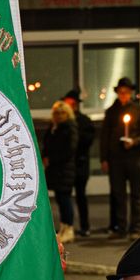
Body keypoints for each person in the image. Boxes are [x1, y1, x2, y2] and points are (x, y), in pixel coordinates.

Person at [100, 77, 140, 239]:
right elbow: (105, 136)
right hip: (116, 159)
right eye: (121, 92)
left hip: (135, 158)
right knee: (118, 195)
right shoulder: (111, 111)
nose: (123, 95)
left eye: (126, 92)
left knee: (136, 195)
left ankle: (136, 227)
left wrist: (134, 141)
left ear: (131, 93)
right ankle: (120, 227)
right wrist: (104, 158)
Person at [42, 99, 79, 243]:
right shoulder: (53, 127)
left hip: (64, 169)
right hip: (56, 169)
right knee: (60, 199)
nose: (59, 115)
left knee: (65, 199)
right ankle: (63, 228)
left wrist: (52, 159)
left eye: (62, 113)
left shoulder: (69, 128)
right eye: (56, 113)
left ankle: (69, 228)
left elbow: (70, 149)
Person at [62, 88, 95, 237]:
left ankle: (84, 226)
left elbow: (87, 141)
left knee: (81, 196)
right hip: (67, 166)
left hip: (80, 164)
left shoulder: (84, 121)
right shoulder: (63, 121)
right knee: (65, 196)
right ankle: (67, 225)